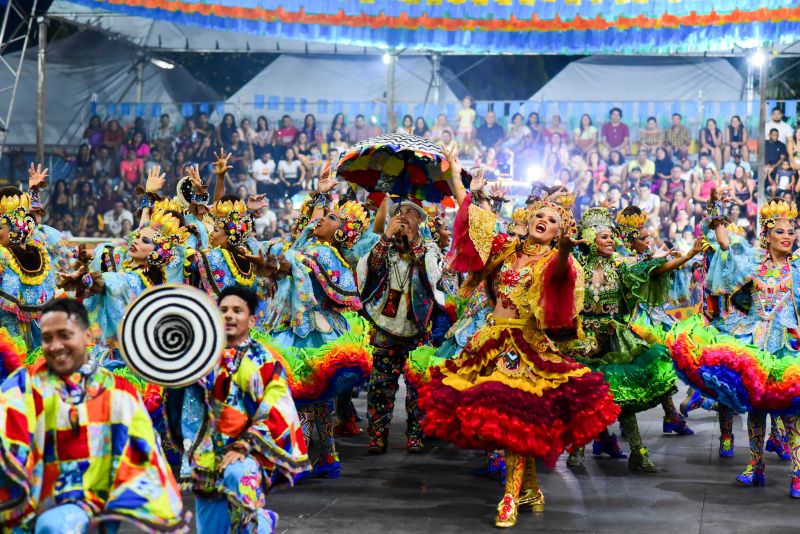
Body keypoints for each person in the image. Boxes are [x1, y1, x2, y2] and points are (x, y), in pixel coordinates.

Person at [417, 174, 620, 527]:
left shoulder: (559, 263)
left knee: (514, 418)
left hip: (525, 347)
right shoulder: (506, 250)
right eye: (540, 216)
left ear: (560, 232)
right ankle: (530, 491)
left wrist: (566, 256)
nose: (544, 221)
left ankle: (510, 496)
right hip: (491, 341)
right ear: (528, 221)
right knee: (508, 420)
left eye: (553, 220)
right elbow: (477, 223)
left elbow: (563, 292)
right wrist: (455, 176)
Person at [0, 298, 188, 532]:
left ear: (88, 336)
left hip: (97, 507)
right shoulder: (24, 387)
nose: (55, 346)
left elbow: (143, 452)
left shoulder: (118, 392)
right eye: (47, 338)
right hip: (36, 507)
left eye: (64, 335)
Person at [670, 197, 800, 496]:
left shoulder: (796, 269)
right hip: (752, 344)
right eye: (781, 232)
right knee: (756, 410)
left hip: (786, 349)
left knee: (792, 413)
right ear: (767, 235)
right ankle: (755, 466)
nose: (788, 237)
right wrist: (717, 210)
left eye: (791, 232)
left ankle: (797, 472)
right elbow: (725, 244)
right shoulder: (751, 262)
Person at [164, 286, 310, 533]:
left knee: (243, 497)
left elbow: (277, 406)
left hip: (248, 453)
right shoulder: (200, 357)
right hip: (206, 453)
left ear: (252, 319)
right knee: (210, 528)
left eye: (237, 310)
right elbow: (181, 400)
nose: (229, 315)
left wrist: (244, 445)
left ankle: (260, 521)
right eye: (223, 310)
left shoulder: (264, 359)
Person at [261, 173, 372, 479]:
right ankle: (327, 456)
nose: (322, 219)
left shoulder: (321, 253)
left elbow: (291, 259)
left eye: (332, 218)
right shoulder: (319, 248)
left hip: (307, 330)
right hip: (316, 328)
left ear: (340, 232)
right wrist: (321, 197)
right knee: (318, 398)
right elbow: (305, 237)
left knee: (300, 397)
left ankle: (304, 456)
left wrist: (270, 260)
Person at [357, 197, 443, 454]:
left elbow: (434, 279)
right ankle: (377, 436)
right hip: (386, 326)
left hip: (419, 325)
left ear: (420, 220)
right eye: (399, 212)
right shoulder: (384, 246)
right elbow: (370, 269)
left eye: (410, 213)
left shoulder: (430, 249)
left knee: (417, 385)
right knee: (381, 384)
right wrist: (387, 237)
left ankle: (415, 435)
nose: (404, 216)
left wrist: (412, 244)